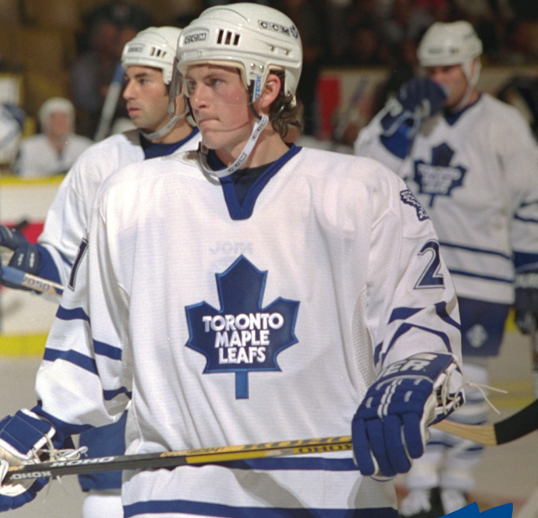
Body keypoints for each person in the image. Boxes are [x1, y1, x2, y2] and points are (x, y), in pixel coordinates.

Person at [0, 4, 464, 516]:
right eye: (189, 82)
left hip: (332, 497)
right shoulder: (131, 196)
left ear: (268, 88)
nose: (195, 99)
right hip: (177, 496)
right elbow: (93, 341)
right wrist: (46, 423)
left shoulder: (361, 192)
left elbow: (419, 316)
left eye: (215, 81)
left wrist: (414, 373)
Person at [0, 26, 200, 518]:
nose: (127, 92)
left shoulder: (222, 163)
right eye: (126, 78)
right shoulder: (101, 162)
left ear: (182, 86)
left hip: (194, 376)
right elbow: (69, 270)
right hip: (113, 381)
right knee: (106, 500)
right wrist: (22, 262)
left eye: (144, 79)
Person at [355, 20, 538, 517]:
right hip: (414, 275)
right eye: (431, 69)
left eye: (449, 69)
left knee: (469, 388)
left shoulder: (504, 124)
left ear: (474, 67)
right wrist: (401, 116)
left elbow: (530, 202)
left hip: (484, 278)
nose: (439, 79)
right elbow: (364, 170)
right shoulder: (411, 116)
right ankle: (419, 487)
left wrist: (531, 273)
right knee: (417, 378)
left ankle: (455, 485)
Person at [14, 98, 93, 179]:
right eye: (54, 118)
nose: (59, 122)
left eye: (64, 117)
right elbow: (25, 177)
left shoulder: (85, 146)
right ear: (44, 121)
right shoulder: (28, 147)